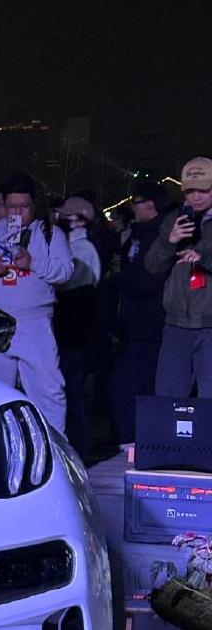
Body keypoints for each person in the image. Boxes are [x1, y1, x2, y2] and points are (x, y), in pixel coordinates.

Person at [0, 171, 74, 431]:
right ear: (3, 205)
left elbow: (65, 272)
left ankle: (54, 447)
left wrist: (33, 262)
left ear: (34, 205)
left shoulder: (50, 234)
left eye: (24, 206)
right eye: (11, 206)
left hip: (35, 322)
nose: (17, 212)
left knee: (49, 392)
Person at [108, 180, 169, 446]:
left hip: (151, 323)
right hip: (131, 323)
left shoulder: (160, 235)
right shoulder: (136, 233)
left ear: (150, 204)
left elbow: (148, 278)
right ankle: (134, 439)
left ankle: (138, 440)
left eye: (136, 202)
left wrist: (121, 279)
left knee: (132, 383)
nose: (132, 207)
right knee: (129, 383)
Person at [146, 157, 212, 397]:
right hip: (176, 325)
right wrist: (169, 241)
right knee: (169, 398)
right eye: (190, 191)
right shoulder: (174, 219)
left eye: (203, 190)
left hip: (210, 325)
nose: (196, 197)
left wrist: (203, 259)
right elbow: (152, 266)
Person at [53, 197, 102, 457]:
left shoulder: (83, 250)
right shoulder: (71, 246)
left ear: (80, 220)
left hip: (73, 331)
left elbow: (68, 286)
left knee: (72, 390)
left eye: (66, 215)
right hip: (69, 330)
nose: (60, 218)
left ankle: (77, 448)